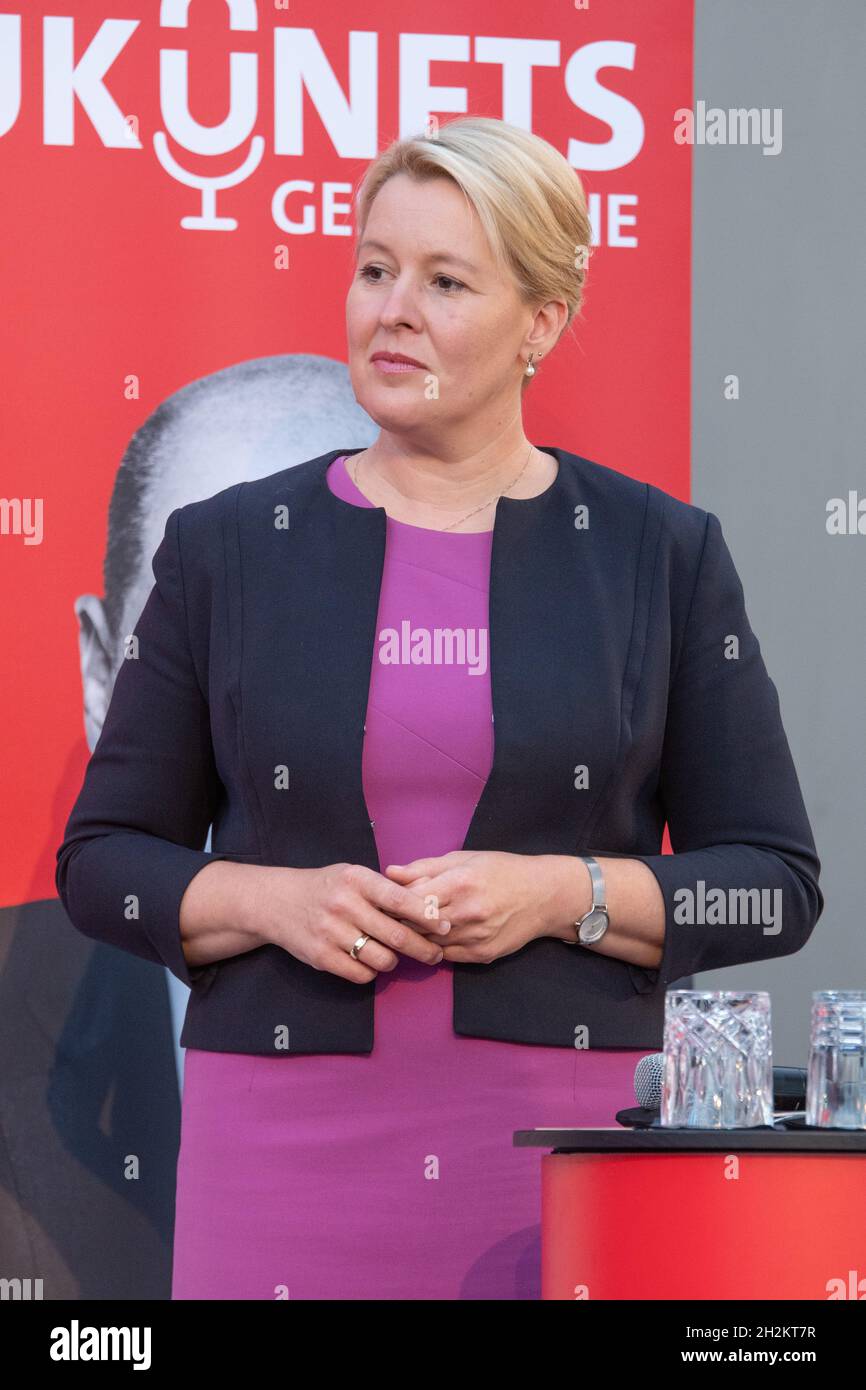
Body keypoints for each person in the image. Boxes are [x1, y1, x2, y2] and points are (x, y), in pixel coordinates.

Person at [55, 116, 823, 1300]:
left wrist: (558, 893)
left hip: (556, 1152)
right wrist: (274, 901)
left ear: (541, 324)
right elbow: (102, 863)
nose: (391, 309)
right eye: (374, 268)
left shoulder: (653, 557)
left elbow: (768, 880)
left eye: (445, 281)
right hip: (277, 1163)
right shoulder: (227, 551)